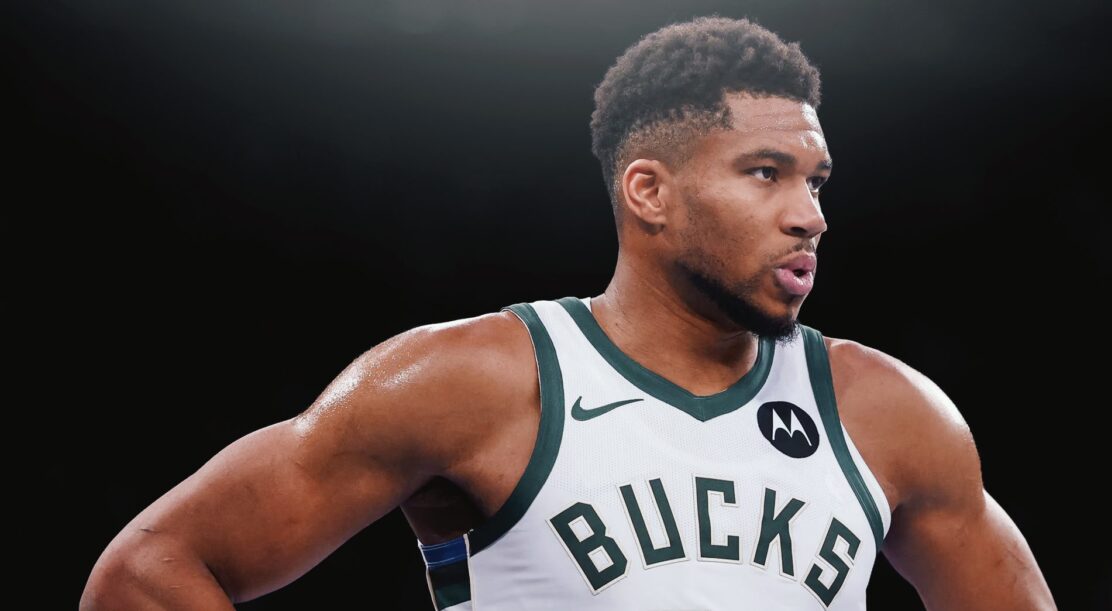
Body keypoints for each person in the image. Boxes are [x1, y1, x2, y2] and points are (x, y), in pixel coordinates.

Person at [81, 15, 1057, 610]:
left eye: (816, 179)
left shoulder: (889, 412)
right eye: (766, 173)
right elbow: (150, 569)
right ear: (650, 192)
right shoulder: (477, 380)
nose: (810, 214)